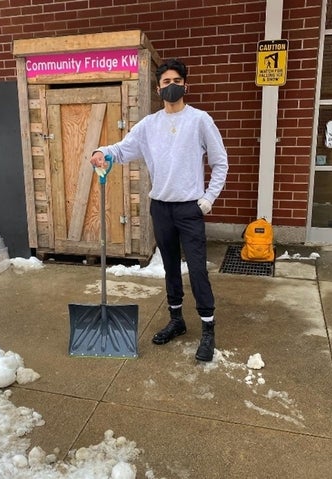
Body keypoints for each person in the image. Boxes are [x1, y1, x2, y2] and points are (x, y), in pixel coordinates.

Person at [90, 58, 228, 362]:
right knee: (169, 267)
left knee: (197, 269)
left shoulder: (200, 120)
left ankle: (208, 329)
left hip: (190, 208)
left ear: (185, 85)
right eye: (166, 82)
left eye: (176, 80)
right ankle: (176, 320)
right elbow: (123, 148)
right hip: (161, 208)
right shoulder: (150, 125)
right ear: (158, 87)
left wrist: (207, 199)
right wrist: (101, 152)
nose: (171, 86)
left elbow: (220, 163)